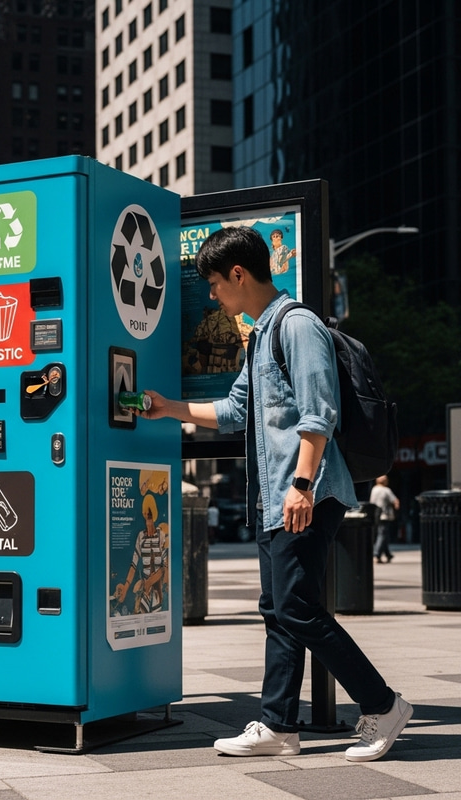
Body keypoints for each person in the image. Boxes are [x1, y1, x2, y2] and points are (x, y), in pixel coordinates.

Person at [134, 226, 411, 761]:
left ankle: (383, 704)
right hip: (274, 498)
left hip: (303, 494)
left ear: (238, 274)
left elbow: (318, 413)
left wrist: (302, 486)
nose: (212, 294)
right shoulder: (260, 334)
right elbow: (237, 411)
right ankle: (278, 726)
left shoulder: (297, 325)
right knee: (278, 610)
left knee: (298, 608)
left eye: (215, 283)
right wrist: (169, 408)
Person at [114, 493, 169, 614]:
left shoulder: (161, 534)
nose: (148, 520)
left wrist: (161, 582)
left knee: (157, 614)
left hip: (157, 586)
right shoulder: (141, 536)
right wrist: (126, 588)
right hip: (145, 586)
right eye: (146, 516)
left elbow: (166, 563)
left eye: (150, 516)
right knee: (141, 613)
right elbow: (134, 564)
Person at [370, 475, 399, 563]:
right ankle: (377, 554)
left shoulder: (374, 489)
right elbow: (395, 501)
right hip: (384, 515)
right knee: (382, 535)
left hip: (376, 515)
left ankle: (387, 554)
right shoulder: (386, 490)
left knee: (383, 534)